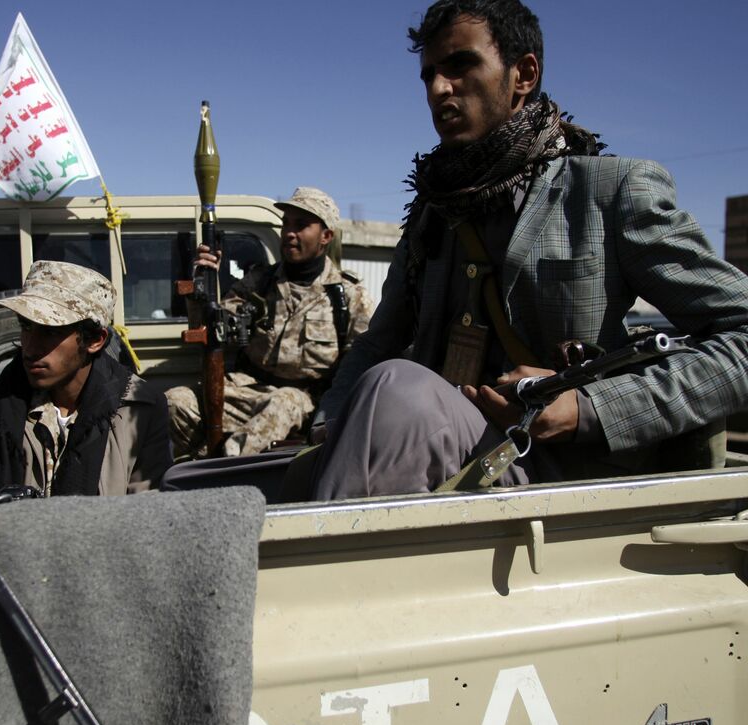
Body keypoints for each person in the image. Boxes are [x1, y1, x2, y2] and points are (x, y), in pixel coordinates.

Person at [311, 0, 748, 499]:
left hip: (563, 471)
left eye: (460, 66)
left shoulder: (609, 193)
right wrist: (329, 420)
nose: (438, 89)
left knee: (395, 392)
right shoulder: (435, 213)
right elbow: (378, 342)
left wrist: (587, 408)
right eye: (429, 75)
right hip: (446, 444)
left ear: (523, 75)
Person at [166, 187, 373, 458]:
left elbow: (361, 363)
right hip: (249, 389)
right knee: (174, 402)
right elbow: (211, 328)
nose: (289, 233)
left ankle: (220, 467)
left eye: (301, 225)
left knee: (282, 403)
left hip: (305, 400)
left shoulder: (348, 296)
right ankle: (207, 464)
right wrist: (203, 284)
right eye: (286, 223)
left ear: (326, 236)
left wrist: (335, 412)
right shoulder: (259, 282)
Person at [0, 260, 172, 496]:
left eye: (50, 332)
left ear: (95, 340)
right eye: (26, 327)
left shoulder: (139, 408)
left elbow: (148, 509)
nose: (30, 348)